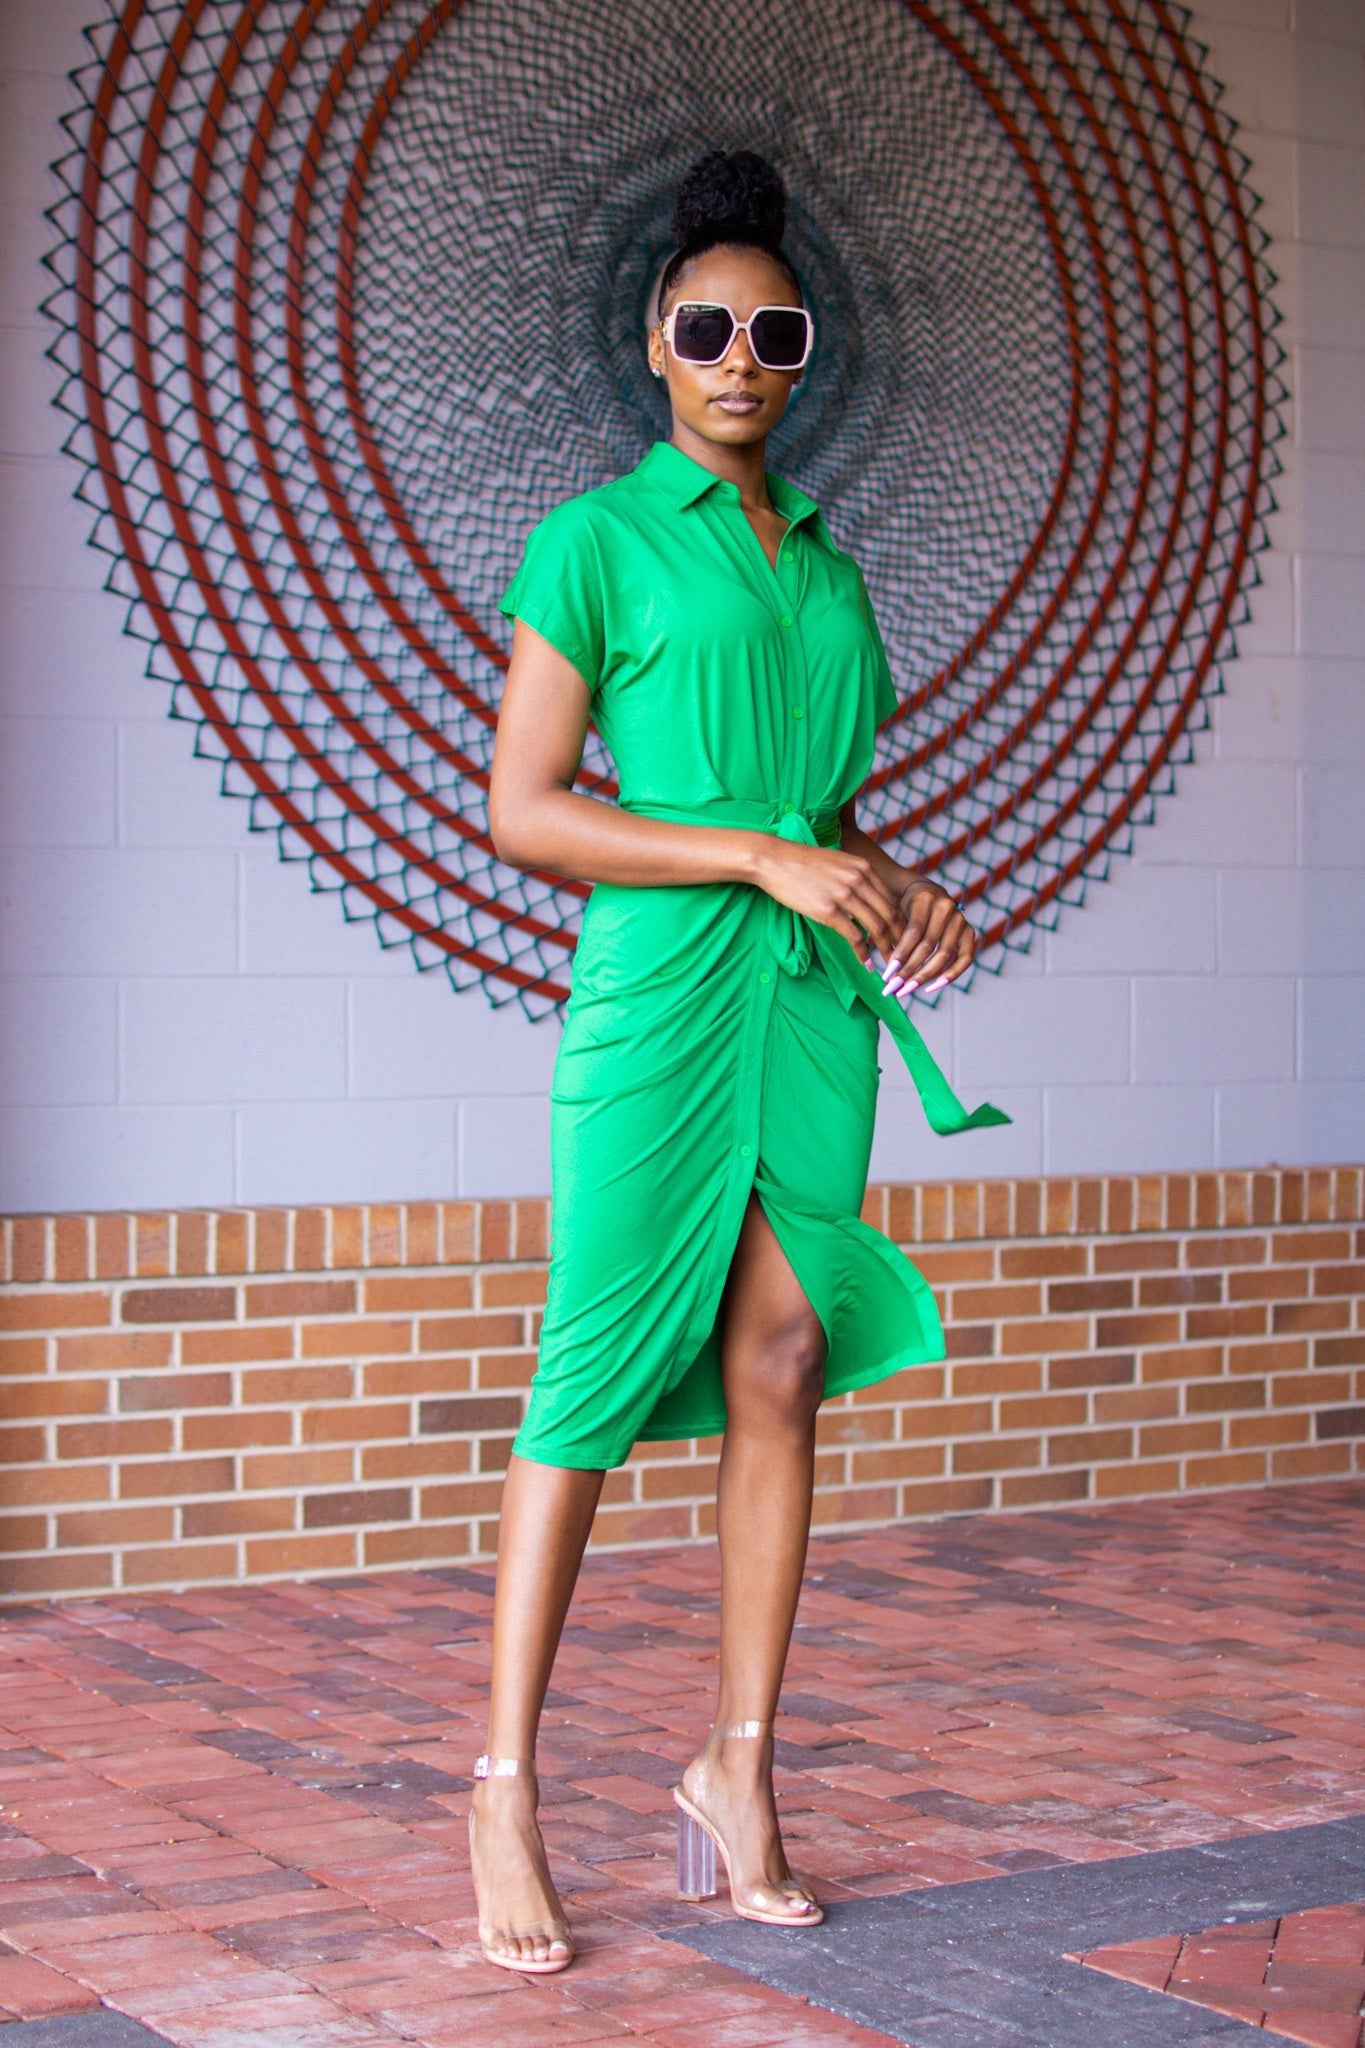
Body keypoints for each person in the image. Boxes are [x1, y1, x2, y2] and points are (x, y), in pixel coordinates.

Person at [468, 147, 1008, 1976]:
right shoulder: (596, 542)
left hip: (807, 1001)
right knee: (594, 1374)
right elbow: (528, 813)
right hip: (663, 987)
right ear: (653, 345)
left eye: (771, 330)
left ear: (802, 354)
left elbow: (824, 807)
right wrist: (759, 853)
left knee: (780, 1353)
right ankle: (504, 1789)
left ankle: (735, 1763)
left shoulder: (835, 564)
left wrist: (884, 877)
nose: (738, 354)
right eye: (705, 326)